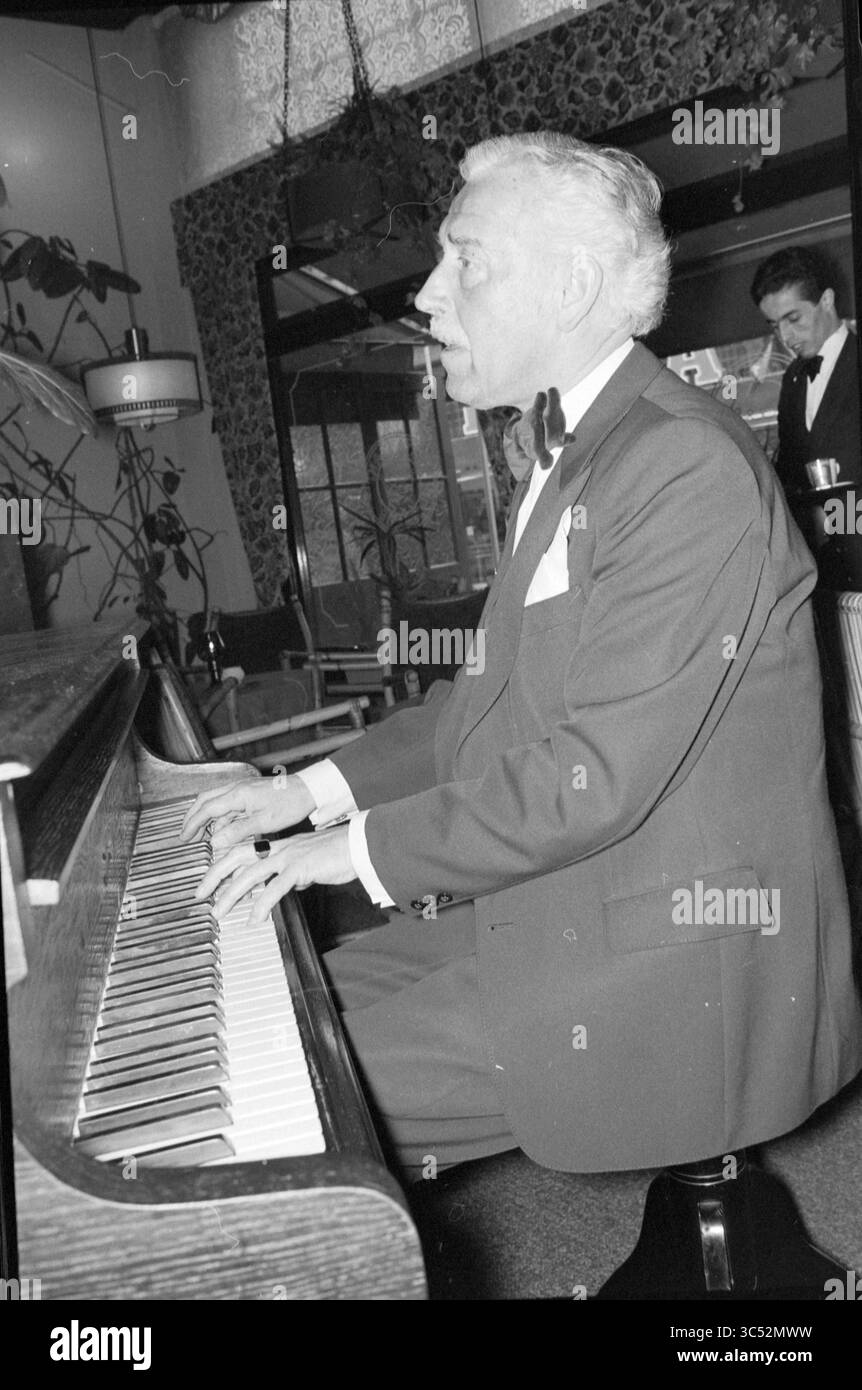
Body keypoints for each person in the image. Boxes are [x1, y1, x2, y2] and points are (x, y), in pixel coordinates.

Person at [181, 134, 862, 1180]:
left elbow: (591, 776)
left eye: (465, 258)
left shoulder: (680, 462)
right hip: (585, 894)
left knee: (257, 1114)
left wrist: (349, 852)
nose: (428, 294)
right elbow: (480, 710)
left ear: (571, 285)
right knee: (266, 998)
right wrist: (299, 794)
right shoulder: (577, 451)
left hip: (675, 944)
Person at [750, 245, 862, 588]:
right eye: (774, 326)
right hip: (822, 566)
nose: (785, 338)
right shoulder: (793, 379)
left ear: (827, 300)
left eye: (793, 319)